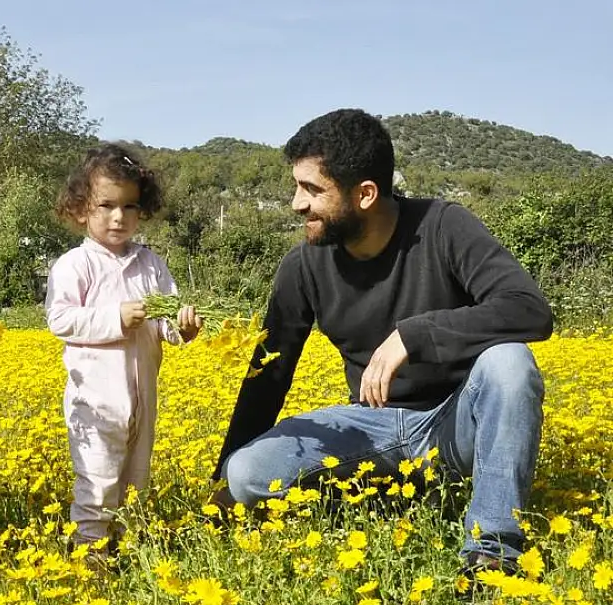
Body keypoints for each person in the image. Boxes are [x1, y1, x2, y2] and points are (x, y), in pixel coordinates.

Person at [212, 109, 553, 578]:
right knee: (247, 473)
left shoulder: (444, 226)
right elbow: (269, 371)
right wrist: (221, 478)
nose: (296, 203)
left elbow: (528, 308)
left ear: (366, 194)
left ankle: (491, 554)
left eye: (312, 190)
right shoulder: (304, 265)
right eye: (297, 187)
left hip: (453, 424)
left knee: (510, 363)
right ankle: (377, 502)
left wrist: (415, 335)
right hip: (368, 430)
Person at [45, 143, 203, 550]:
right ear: (81, 209)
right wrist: (116, 318)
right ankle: (90, 560)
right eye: (106, 205)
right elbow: (60, 320)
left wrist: (182, 328)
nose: (119, 217)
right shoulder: (74, 265)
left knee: (135, 482)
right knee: (97, 484)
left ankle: (126, 554)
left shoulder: (152, 264)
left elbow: (165, 323)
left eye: (130, 206)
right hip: (95, 403)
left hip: (143, 399)